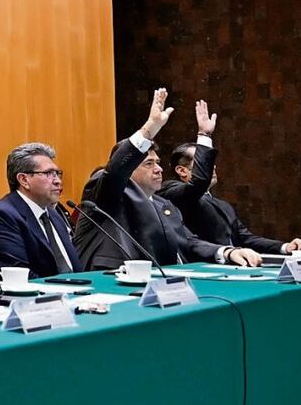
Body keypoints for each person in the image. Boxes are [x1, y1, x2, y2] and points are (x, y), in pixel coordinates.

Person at [73, 89, 262, 270]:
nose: (159, 169)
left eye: (158, 162)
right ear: (128, 170)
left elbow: (187, 241)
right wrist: (149, 129)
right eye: (149, 164)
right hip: (110, 284)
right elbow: (114, 172)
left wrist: (226, 252)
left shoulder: (163, 204)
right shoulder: (104, 194)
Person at [159, 106, 301, 253]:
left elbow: (247, 239)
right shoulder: (170, 192)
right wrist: (204, 136)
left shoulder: (223, 206)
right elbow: (198, 183)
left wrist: (285, 247)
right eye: (202, 164)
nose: (212, 168)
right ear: (181, 170)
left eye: (211, 164)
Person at [0, 142, 83, 279]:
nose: (57, 181)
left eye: (57, 173)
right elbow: (19, 276)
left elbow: (75, 268)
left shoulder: (53, 214)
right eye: (48, 174)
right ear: (24, 180)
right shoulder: (2, 216)